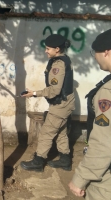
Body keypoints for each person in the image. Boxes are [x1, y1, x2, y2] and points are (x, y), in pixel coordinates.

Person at [69, 28, 111, 199]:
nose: (94, 57)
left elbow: (105, 141)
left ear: (106, 52)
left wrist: (81, 178)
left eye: (94, 52)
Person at [20, 34, 75, 172]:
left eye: (48, 48)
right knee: (61, 132)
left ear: (57, 49)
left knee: (46, 133)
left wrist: (34, 93)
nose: (46, 51)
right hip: (64, 103)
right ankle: (65, 160)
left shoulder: (59, 64)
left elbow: (55, 90)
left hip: (61, 104)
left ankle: (38, 161)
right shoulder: (63, 59)